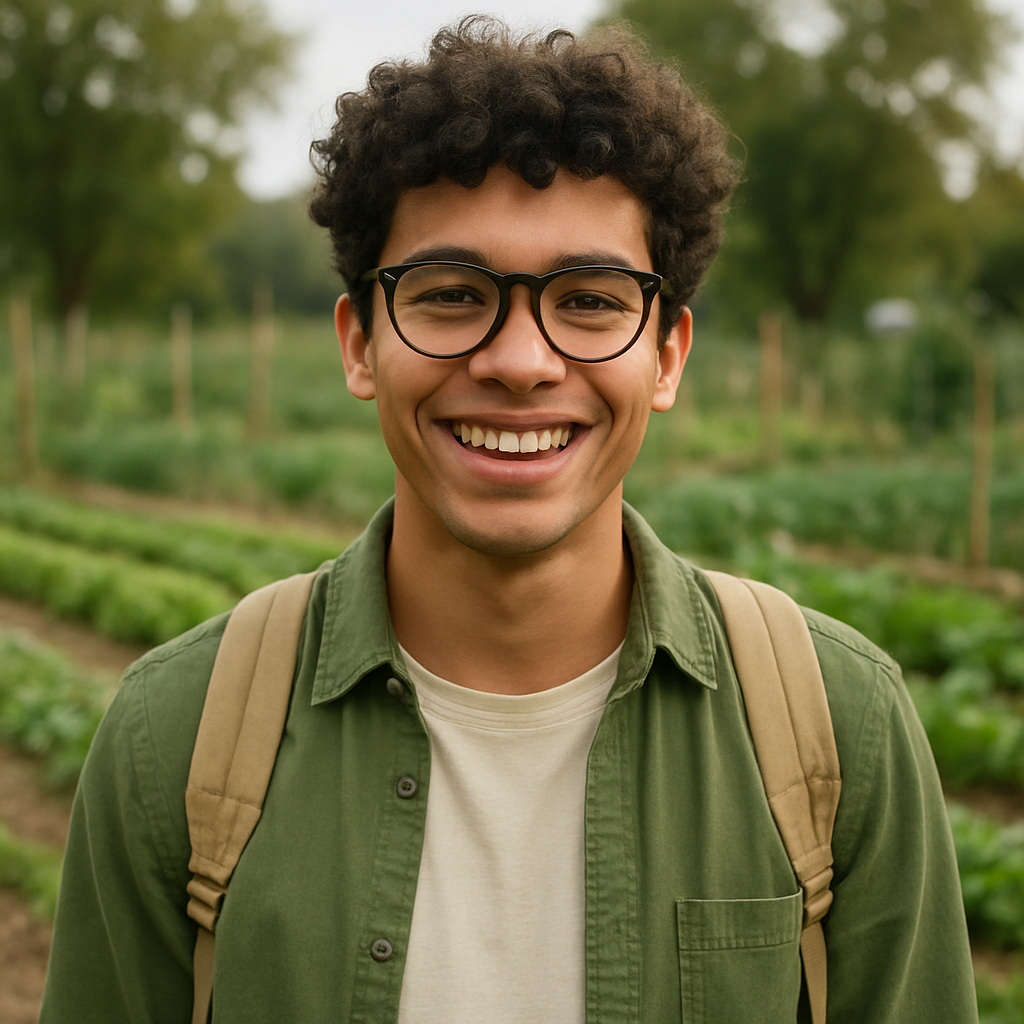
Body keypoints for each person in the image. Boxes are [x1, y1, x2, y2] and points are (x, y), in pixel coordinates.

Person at [41, 17, 977, 1024]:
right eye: (450, 294)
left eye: (587, 299)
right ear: (359, 344)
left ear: (666, 354)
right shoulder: (172, 739)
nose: (520, 361)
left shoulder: (839, 734)